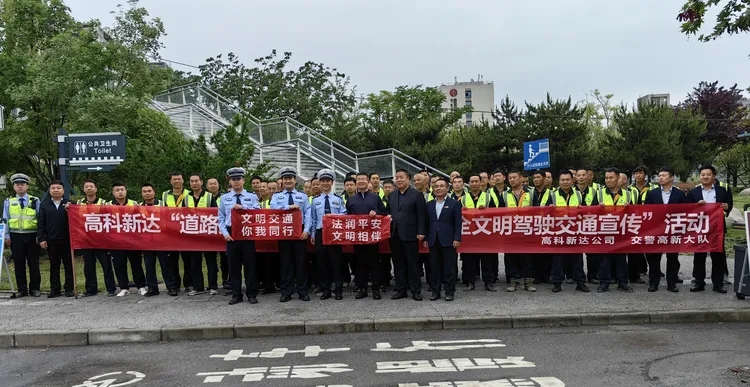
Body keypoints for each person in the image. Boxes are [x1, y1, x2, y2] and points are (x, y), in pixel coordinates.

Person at [218, 167, 261, 305]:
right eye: (233, 179)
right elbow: (221, 218)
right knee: (234, 266)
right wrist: (225, 234)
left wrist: (243, 208)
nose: (236, 182)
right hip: (232, 234)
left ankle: (252, 294)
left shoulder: (252, 196)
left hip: (247, 233)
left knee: (250, 265)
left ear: (243, 180)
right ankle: (236, 294)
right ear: (230, 181)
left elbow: (258, 213)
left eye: (238, 179)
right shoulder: (224, 198)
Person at [688, 164, 732, 294]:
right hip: (700, 227)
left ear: (714, 176)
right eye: (702, 175)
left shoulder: (721, 191)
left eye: (708, 174)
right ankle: (699, 283)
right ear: (700, 177)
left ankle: (717, 284)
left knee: (717, 255)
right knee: (699, 256)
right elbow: (687, 209)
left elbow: (729, 205)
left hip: (716, 228)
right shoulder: (694, 192)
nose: (705, 177)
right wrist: (696, 206)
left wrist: (726, 207)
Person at [271, 167, 313, 302]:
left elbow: (308, 214)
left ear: (295, 180)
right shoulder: (277, 196)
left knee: (301, 262)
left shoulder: (302, 196)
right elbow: (273, 210)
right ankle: (286, 292)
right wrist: (288, 207)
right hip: (284, 232)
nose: (288, 181)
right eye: (285, 179)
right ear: (282, 181)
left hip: (299, 232)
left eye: (290, 178)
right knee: (286, 263)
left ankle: (302, 291)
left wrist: (306, 230)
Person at [386, 168, 427, 301]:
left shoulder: (416, 195)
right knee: (398, 264)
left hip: (410, 234)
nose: (398, 180)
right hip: (394, 234)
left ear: (408, 179)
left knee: (412, 263)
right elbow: (388, 213)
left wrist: (421, 232)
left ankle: (415, 290)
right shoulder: (392, 195)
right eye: (396, 178)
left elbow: (422, 215)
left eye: (401, 177)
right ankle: (401, 289)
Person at [346, 172, 388, 299]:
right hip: (358, 238)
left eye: (364, 179)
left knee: (375, 263)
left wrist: (376, 212)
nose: (361, 181)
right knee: (360, 263)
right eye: (359, 179)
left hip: (373, 237)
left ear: (368, 181)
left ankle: (376, 289)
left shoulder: (375, 197)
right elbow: (347, 218)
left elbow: (384, 212)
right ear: (356, 182)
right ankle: (362, 288)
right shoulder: (351, 199)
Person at [643, 167, 685, 292]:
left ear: (672, 177)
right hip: (656, 230)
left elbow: (685, 211)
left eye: (663, 175)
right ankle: (653, 283)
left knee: (672, 258)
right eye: (659, 175)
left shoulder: (679, 194)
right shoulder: (652, 193)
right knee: (654, 258)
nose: (660, 177)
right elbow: (646, 212)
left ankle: (671, 283)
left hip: (673, 231)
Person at [547, 170, 589, 293]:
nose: (565, 182)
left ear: (572, 180)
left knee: (577, 259)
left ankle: (580, 282)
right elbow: (545, 215)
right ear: (559, 181)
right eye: (562, 180)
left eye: (567, 180)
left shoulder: (579, 195)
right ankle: (557, 283)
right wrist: (550, 210)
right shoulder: (553, 195)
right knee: (558, 259)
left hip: (575, 232)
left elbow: (586, 212)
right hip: (558, 232)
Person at [310, 169, 347, 300]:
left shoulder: (338, 199)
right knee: (322, 261)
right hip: (320, 233)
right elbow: (313, 219)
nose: (325, 183)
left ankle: (338, 289)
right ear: (320, 183)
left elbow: (344, 214)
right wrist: (313, 234)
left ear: (332, 183)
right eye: (323, 181)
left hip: (334, 232)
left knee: (336, 261)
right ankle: (326, 289)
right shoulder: (315, 200)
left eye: (328, 181)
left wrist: (334, 217)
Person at [3, 173, 41, 298]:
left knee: (33, 263)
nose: (20, 187)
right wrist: (6, 236)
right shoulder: (9, 202)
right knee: (18, 263)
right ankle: (22, 289)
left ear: (27, 186)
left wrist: (40, 236)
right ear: (14, 187)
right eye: (17, 185)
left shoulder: (35, 200)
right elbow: (5, 219)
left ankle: (35, 288)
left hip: (31, 235)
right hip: (15, 236)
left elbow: (40, 219)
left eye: (22, 184)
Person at [424, 177, 461, 301]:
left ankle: (449, 291)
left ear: (447, 188)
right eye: (436, 186)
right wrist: (425, 238)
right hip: (433, 240)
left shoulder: (454, 203)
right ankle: (435, 291)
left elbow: (458, 223)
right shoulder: (429, 205)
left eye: (441, 186)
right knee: (434, 267)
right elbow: (426, 223)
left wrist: (457, 238)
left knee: (449, 267)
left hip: (449, 240)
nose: (438, 188)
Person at [596, 168, 633, 293]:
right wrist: (597, 207)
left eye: (611, 178)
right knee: (604, 259)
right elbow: (589, 212)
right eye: (606, 178)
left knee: (621, 259)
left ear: (618, 178)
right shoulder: (599, 193)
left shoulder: (627, 194)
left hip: (621, 231)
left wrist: (629, 208)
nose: (608, 180)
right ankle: (604, 283)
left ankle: (622, 282)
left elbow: (634, 213)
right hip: (604, 230)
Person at [77, 179, 116, 297]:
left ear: (96, 189)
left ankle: (111, 288)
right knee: (88, 265)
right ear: (83, 189)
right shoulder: (79, 203)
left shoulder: (104, 203)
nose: (89, 188)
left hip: (101, 239)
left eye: (91, 186)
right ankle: (91, 289)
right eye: (86, 186)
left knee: (106, 265)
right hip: (86, 239)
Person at [108, 182, 146, 297]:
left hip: (132, 240)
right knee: (119, 265)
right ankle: (124, 287)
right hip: (116, 240)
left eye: (122, 189)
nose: (120, 192)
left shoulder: (134, 204)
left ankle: (141, 286)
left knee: (136, 264)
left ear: (126, 191)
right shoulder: (107, 205)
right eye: (117, 190)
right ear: (113, 192)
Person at [139, 183, 178, 296]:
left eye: (149, 191)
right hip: (146, 241)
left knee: (166, 265)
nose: (147, 193)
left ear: (154, 192)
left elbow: (168, 220)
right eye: (144, 191)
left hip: (161, 241)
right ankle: (152, 288)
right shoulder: (139, 206)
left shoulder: (162, 203)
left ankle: (171, 287)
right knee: (149, 266)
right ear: (142, 194)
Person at [501, 170, 536, 293]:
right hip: (510, 230)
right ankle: (512, 282)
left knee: (526, 257)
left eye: (514, 177)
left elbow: (536, 211)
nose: (511, 180)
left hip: (526, 230)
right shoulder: (505, 194)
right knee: (510, 257)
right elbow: (499, 213)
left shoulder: (531, 193)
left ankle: (528, 282)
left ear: (521, 178)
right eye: (510, 178)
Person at [37, 180, 73, 298]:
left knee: (69, 265)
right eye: (53, 188)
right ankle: (55, 289)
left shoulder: (70, 204)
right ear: (49, 190)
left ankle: (69, 288)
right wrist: (42, 238)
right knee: (54, 265)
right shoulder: (44, 204)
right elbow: (41, 222)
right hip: (51, 239)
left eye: (58, 188)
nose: (56, 190)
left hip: (67, 239)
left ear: (63, 190)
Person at [185, 173, 219, 296]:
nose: (194, 183)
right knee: (194, 263)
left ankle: (213, 286)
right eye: (192, 181)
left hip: (207, 235)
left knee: (211, 262)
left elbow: (216, 214)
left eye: (196, 181)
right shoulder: (186, 197)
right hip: (193, 236)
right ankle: (198, 287)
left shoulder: (209, 197)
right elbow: (182, 216)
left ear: (201, 182)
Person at [162, 172, 193, 293]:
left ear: (183, 180)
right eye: (174, 179)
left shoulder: (188, 194)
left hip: (186, 231)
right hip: (171, 232)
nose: (177, 181)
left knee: (188, 260)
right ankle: (174, 286)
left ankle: (188, 283)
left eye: (179, 179)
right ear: (171, 181)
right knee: (171, 261)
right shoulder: (165, 195)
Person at [206, 177, 230, 290]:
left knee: (225, 259)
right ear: (206, 186)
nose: (213, 185)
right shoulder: (204, 197)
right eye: (210, 184)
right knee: (210, 260)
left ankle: (226, 281)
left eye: (215, 183)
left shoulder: (225, 197)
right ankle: (212, 284)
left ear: (218, 185)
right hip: (208, 232)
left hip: (223, 231)